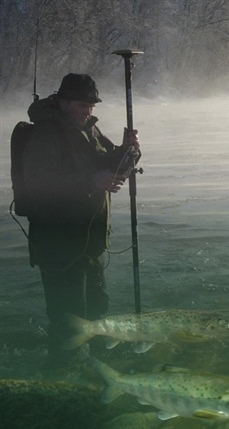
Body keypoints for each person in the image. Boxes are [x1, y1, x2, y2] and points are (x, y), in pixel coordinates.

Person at [22, 73, 140, 367]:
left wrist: (128, 152)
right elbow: (39, 183)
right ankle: (65, 372)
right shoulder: (46, 133)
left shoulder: (90, 131)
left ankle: (98, 367)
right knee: (68, 314)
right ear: (62, 102)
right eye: (81, 105)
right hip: (59, 242)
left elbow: (111, 165)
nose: (87, 111)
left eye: (91, 105)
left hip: (88, 240)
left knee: (98, 307)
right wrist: (92, 181)